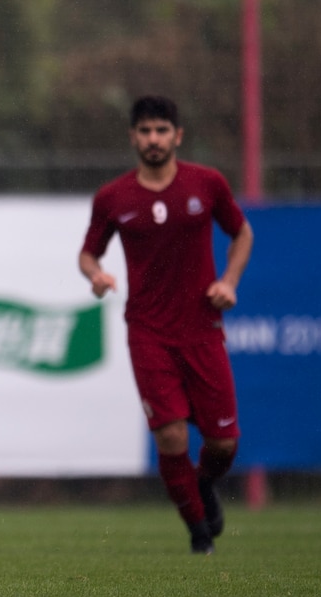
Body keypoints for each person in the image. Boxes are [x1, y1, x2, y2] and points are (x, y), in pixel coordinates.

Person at [78, 95, 253, 555]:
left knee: (223, 443)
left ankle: (203, 487)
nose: (153, 139)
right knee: (171, 433)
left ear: (177, 136)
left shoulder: (207, 184)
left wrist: (229, 281)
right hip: (149, 333)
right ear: (133, 137)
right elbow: (88, 252)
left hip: (203, 329)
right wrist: (96, 275)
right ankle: (199, 534)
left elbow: (241, 232)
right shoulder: (113, 197)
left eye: (161, 130)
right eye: (144, 131)